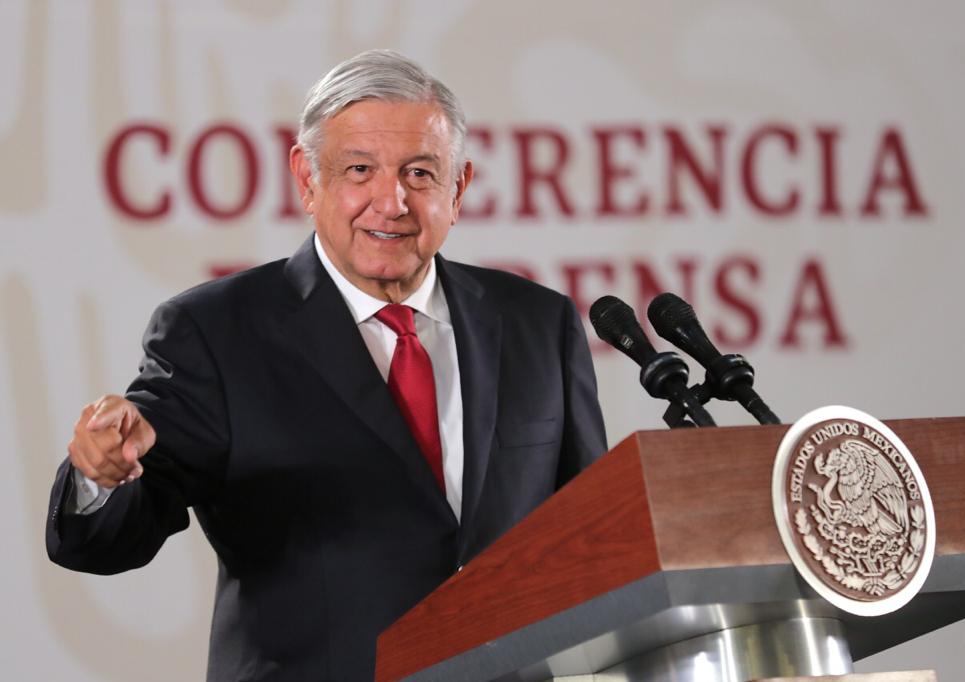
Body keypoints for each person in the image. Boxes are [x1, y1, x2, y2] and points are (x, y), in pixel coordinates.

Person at [46, 49, 606, 681]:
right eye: (359, 170)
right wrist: (102, 475)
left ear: (458, 188)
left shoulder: (537, 322)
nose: (391, 201)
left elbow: (599, 536)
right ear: (307, 179)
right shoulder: (215, 332)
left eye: (420, 173)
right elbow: (111, 538)